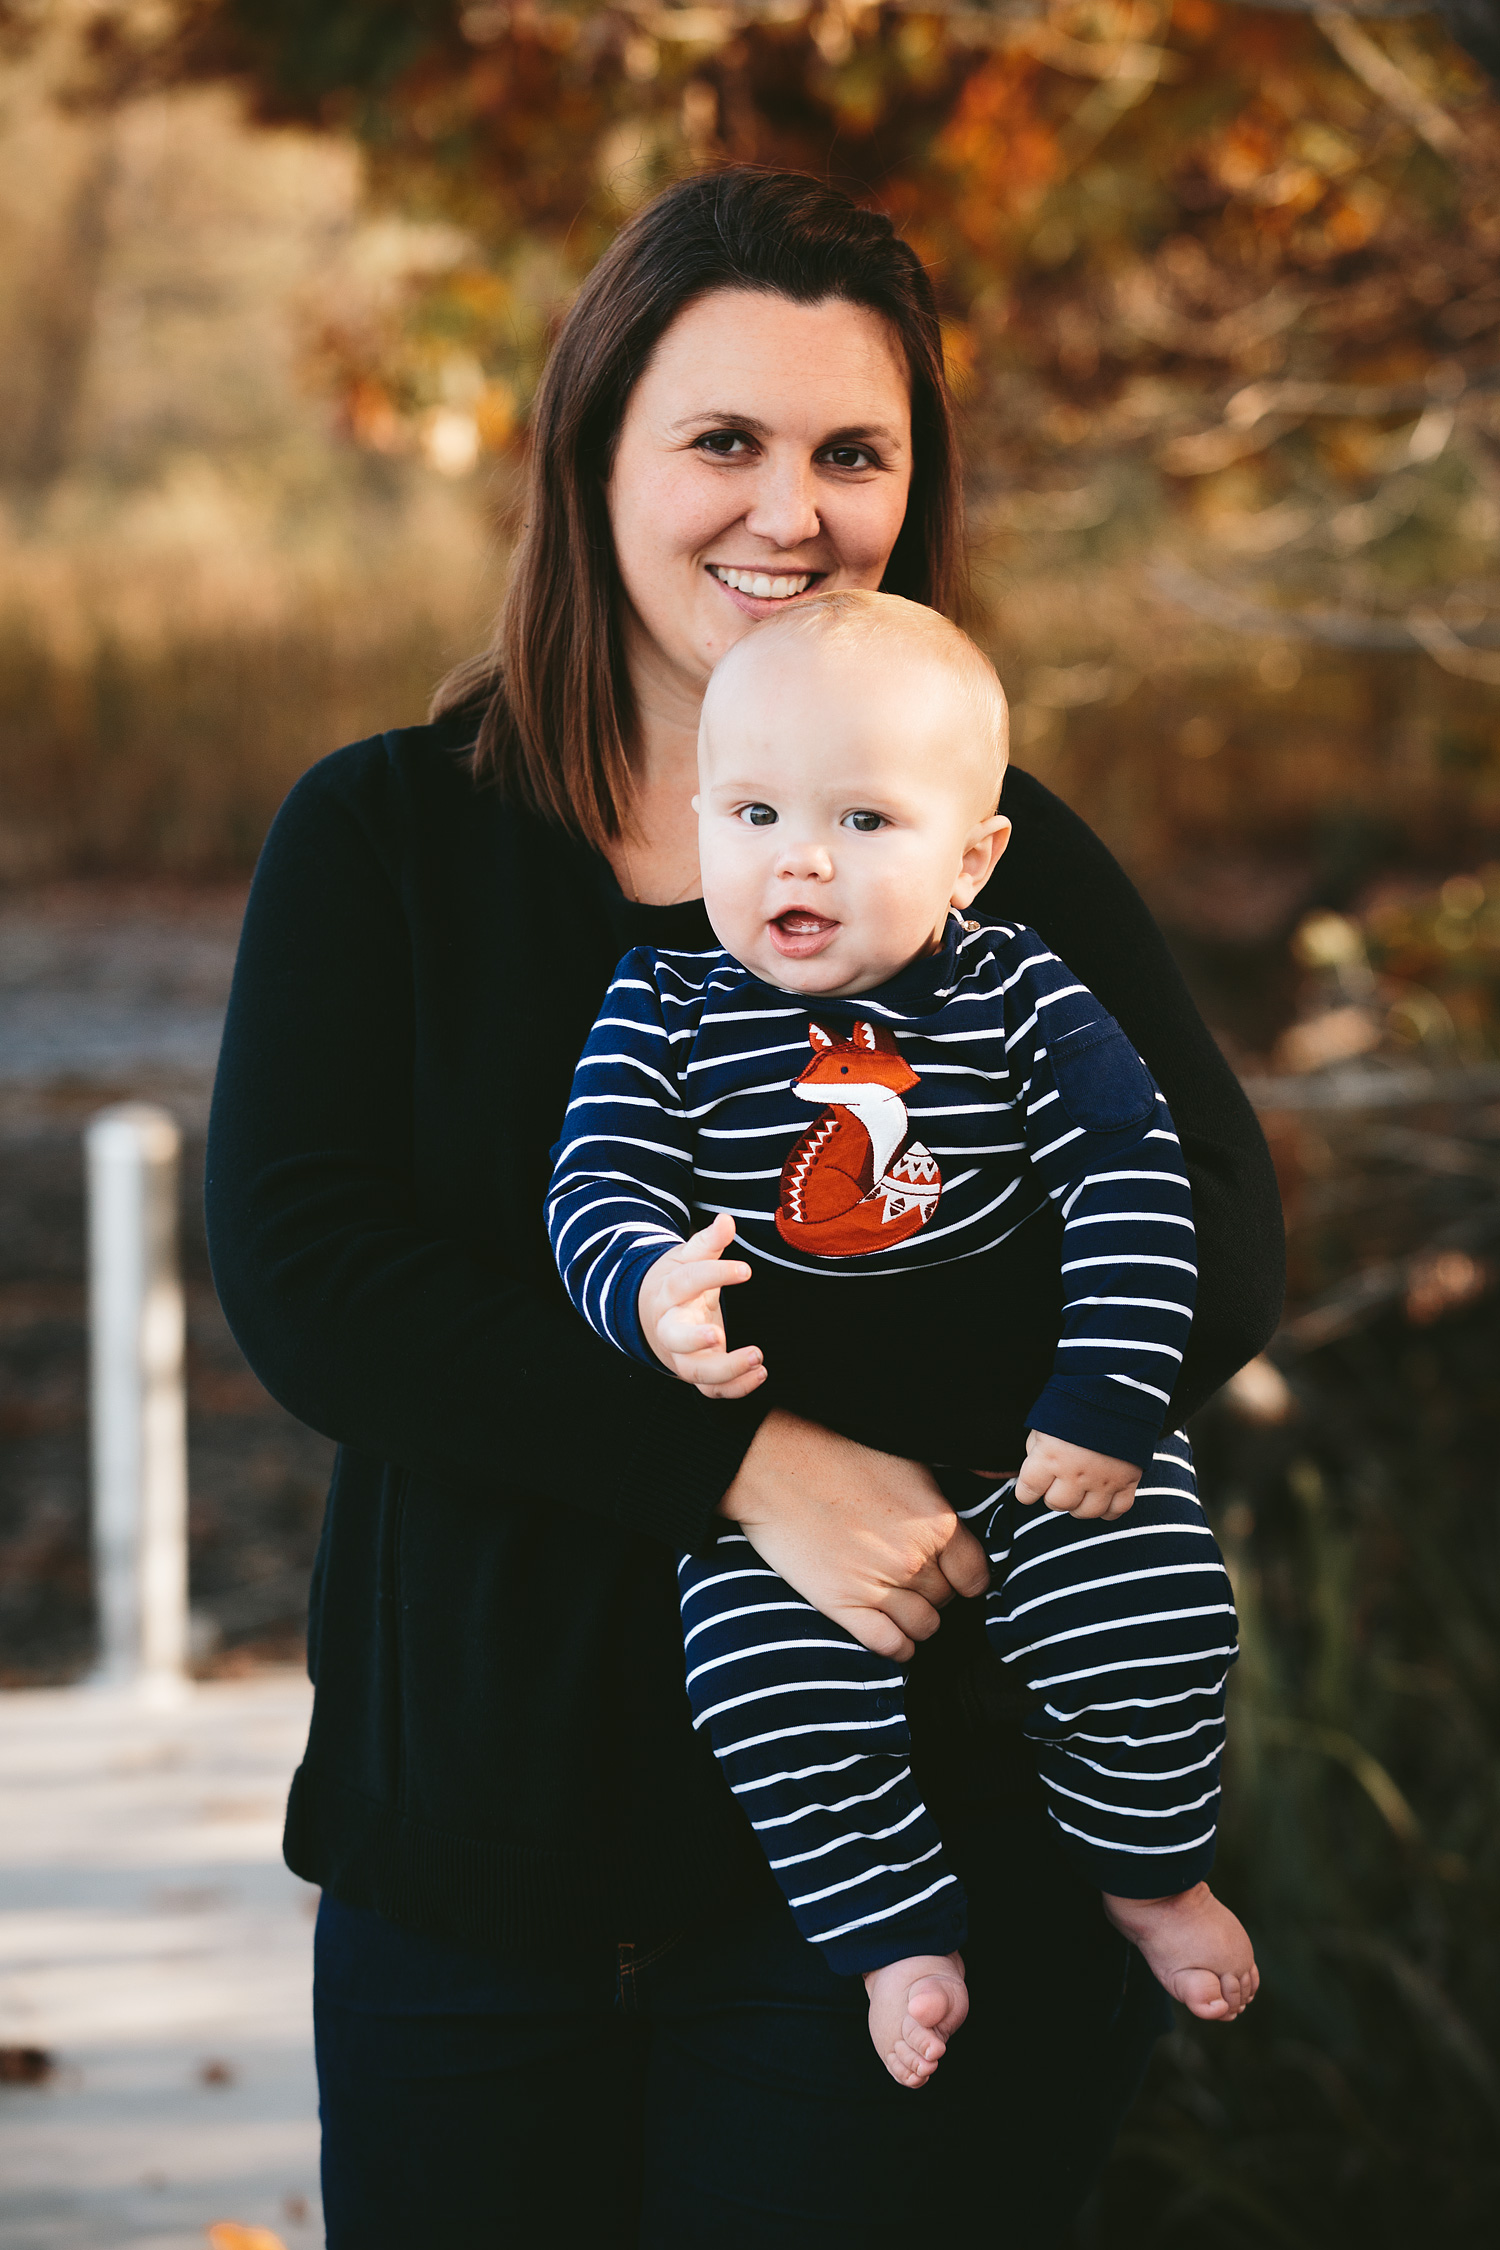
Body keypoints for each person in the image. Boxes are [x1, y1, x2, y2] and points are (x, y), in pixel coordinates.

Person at [205, 169, 1285, 2247]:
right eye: (724, 440)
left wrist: (931, 1434)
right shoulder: (390, 839)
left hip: (923, 1888)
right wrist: (744, 1462)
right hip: (477, 1872)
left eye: (851, 451)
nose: (790, 509)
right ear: (593, 453)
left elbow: (1210, 1217)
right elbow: (318, 1278)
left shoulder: (986, 854)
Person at [547, 590, 1258, 2094]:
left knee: (1160, 1616)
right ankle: (888, 1936)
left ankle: (1150, 1869)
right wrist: (646, 1288)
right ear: (701, 825)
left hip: (1036, 1426)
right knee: (764, 1689)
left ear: (972, 855)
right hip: (793, 1475)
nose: (799, 855)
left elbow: (1131, 1167)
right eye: (754, 812)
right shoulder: (660, 1001)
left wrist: (1109, 1397)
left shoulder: (1014, 988)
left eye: (866, 820)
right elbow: (594, 1182)